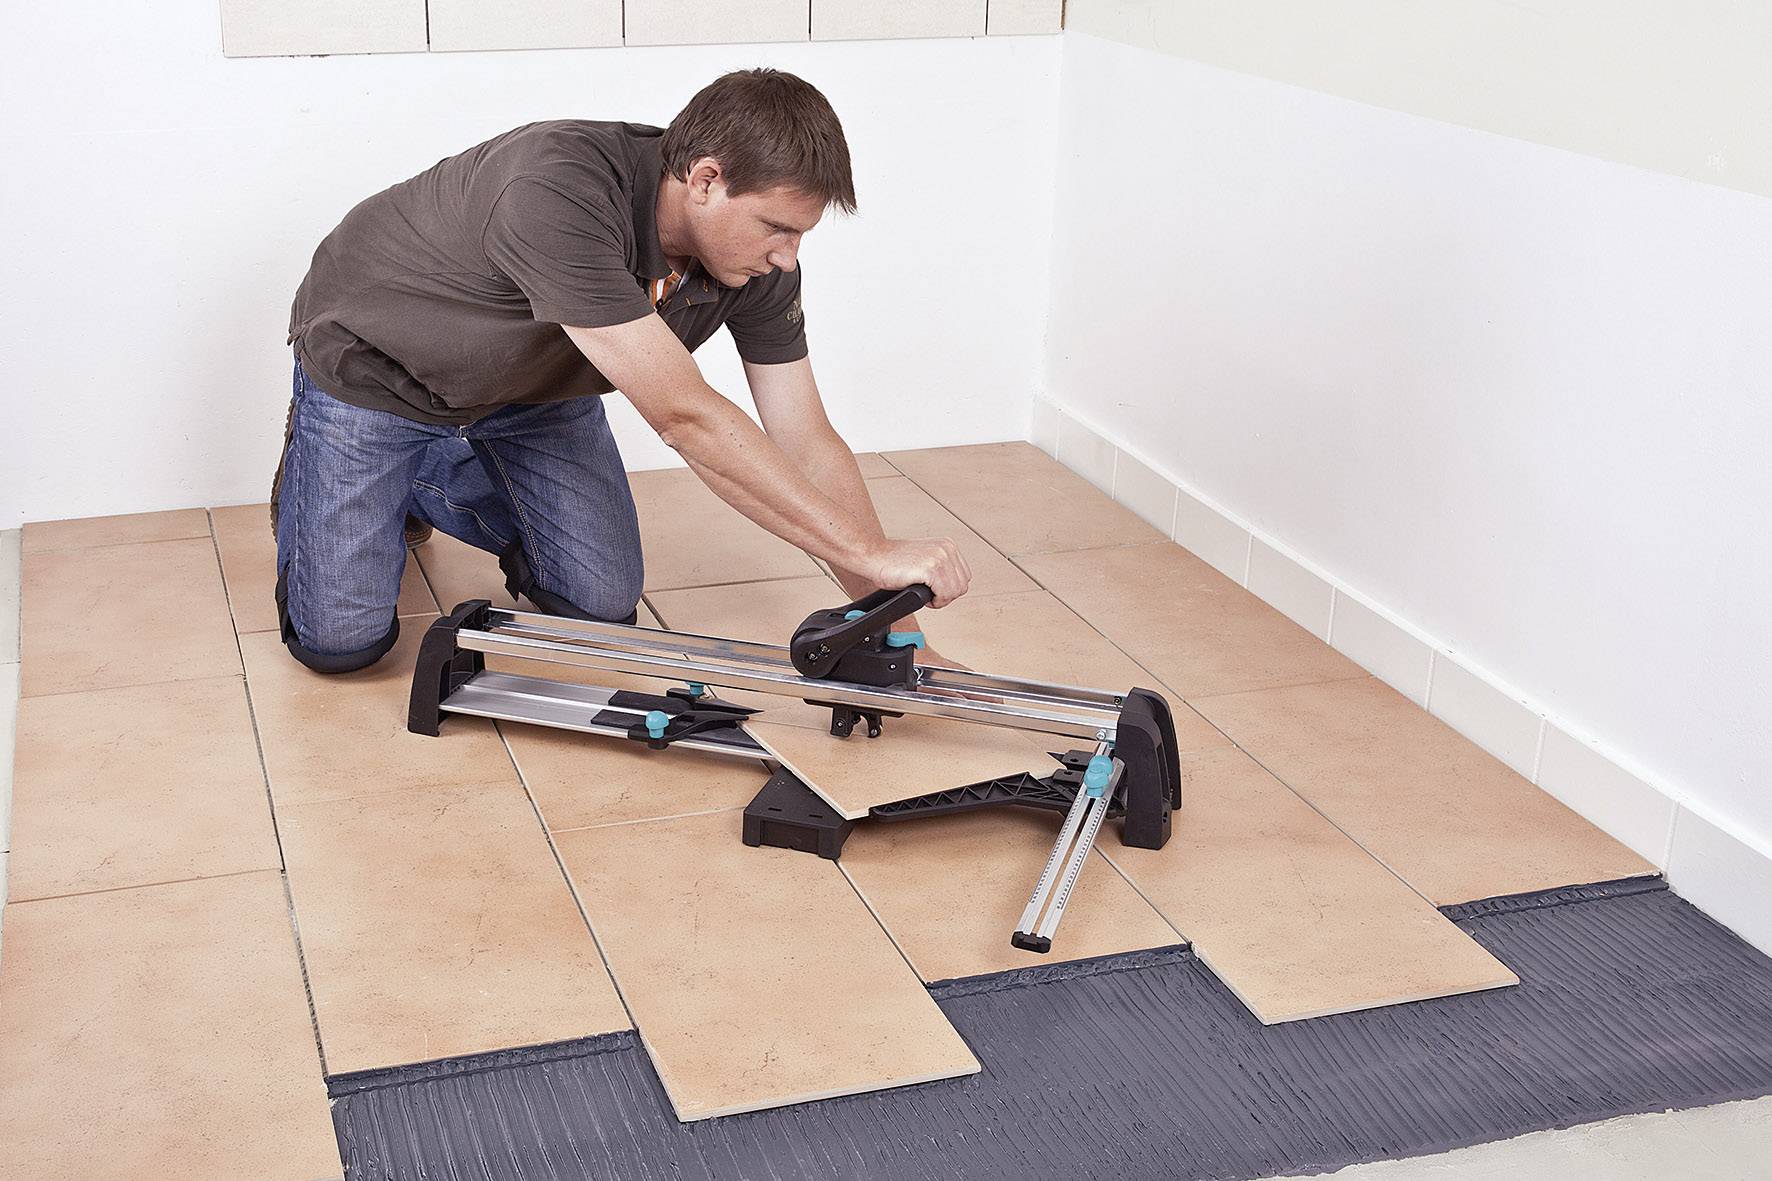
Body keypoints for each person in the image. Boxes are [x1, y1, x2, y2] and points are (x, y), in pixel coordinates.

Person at [274, 67, 970, 674]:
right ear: (705, 180)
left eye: (801, 235)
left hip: (534, 385)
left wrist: (897, 636)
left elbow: (806, 437)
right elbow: (684, 416)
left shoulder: (754, 263)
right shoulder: (558, 190)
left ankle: (406, 485)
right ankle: (331, 471)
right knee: (343, 646)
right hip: (379, 370)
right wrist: (872, 552)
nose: (788, 256)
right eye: (776, 227)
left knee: (600, 601)